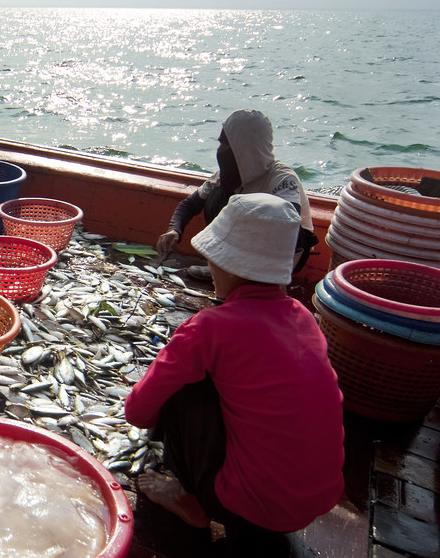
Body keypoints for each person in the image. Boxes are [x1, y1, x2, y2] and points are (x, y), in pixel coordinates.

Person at [125, 193, 344, 535]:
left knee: (185, 383)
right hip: (312, 506)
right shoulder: (304, 317)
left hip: (240, 507)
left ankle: (192, 501)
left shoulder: (210, 327)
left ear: (224, 263)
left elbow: (137, 412)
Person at [155, 109, 319, 279]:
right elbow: (189, 205)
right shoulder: (225, 175)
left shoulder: (282, 178)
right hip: (244, 251)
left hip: (286, 256)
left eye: (225, 144)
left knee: (273, 217)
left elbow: (288, 229)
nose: (219, 150)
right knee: (216, 197)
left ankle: (248, 278)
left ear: (244, 148)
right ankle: (225, 270)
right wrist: (175, 230)